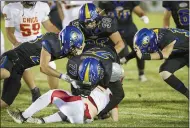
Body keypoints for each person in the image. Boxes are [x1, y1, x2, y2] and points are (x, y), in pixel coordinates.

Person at [0, 26, 85, 108]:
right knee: (5, 73)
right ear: (67, 43)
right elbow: (43, 68)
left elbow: (75, 58)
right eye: (74, 47)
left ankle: (55, 96)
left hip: (19, 69)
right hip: (13, 57)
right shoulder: (51, 43)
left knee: (5, 103)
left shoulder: (63, 45)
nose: (75, 50)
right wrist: (64, 76)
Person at [2, 1, 60, 102]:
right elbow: (9, 32)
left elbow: (49, 26)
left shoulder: (42, 7)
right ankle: (34, 91)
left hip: (39, 42)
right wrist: (16, 44)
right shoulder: (12, 9)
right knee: (24, 67)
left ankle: (53, 94)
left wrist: (61, 34)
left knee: (51, 66)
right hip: (22, 43)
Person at [7, 85, 118, 124]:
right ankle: (42, 121)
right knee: (68, 110)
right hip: (86, 117)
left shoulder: (98, 82)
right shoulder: (114, 96)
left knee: (53, 93)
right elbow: (115, 119)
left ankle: (23, 116)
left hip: (83, 107)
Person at [97, 1, 149, 82]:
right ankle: (111, 74)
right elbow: (97, 15)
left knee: (140, 49)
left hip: (129, 30)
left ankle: (141, 74)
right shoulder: (106, 3)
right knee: (113, 53)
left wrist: (143, 16)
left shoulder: (129, 2)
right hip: (113, 32)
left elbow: (140, 12)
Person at [133, 28, 189, 99]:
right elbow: (137, 51)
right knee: (165, 72)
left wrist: (144, 56)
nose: (148, 49)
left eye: (148, 46)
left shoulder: (166, 36)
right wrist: (126, 58)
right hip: (182, 52)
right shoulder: (152, 34)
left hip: (186, 50)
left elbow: (165, 54)